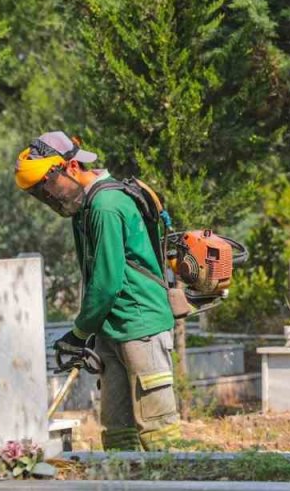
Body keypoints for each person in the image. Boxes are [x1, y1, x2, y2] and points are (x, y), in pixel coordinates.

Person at [15, 131, 180, 450]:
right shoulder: (86, 209)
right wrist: (92, 330)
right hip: (112, 329)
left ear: (72, 167)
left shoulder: (106, 205)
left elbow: (106, 283)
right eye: (39, 191)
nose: (47, 195)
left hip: (140, 326)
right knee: (118, 431)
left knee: (158, 430)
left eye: (47, 184)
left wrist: (78, 333)